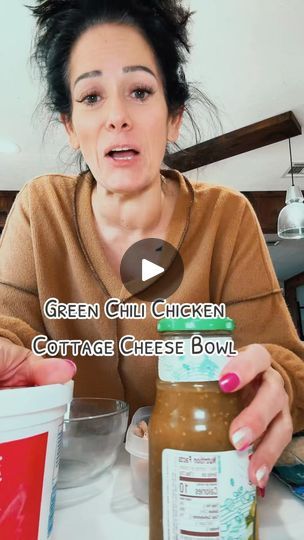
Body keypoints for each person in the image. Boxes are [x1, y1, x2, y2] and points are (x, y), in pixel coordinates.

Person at [0, 0, 303, 498]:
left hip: (199, 483)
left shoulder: (227, 218)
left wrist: (279, 384)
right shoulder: (40, 211)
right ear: (71, 126)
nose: (118, 116)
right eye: (92, 96)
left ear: (174, 117)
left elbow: (284, 362)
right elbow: (10, 327)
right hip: (67, 490)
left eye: (140, 91)